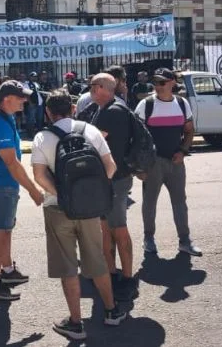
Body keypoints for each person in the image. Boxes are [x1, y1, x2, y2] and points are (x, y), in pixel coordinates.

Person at [31, 90, 128, 341]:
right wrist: (93, 194)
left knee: (67, 266)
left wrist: (63, 196)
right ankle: (111, 310)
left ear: (48, 112)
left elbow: (40, 176)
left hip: (57, 208)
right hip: (90, 209)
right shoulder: (90, 131)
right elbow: (111, 166)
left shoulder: (43, 137)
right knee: (96, 259)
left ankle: (76, 323)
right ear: (73, 108)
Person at [0, 80, 44, 301]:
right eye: (20, 97)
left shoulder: (5, 117)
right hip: (2, 183)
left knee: (6, 228)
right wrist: (33, 190)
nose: (25, 100)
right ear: (7, 99)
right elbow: (12, 162)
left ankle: (7, 272)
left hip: (4, 183)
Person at [136, 68, 202, 257]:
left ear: (172, 82)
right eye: (155, 82)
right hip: (153, 163)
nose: (157, 86)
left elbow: (190, 130)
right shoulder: (145, 105)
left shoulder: (182, 104)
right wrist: (139, 167)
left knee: (180, 202)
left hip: (176, 162)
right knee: (149, 202)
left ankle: (185, 240)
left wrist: (183, 151)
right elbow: (137, 137)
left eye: (162, 82)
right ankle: (148, 239)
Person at [87, 73, 138, 299]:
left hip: (116, 180)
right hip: (107, 180)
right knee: (106, 229)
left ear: (100, 87)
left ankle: (127, 279)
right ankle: (111, 272)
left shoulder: (113, 111)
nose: (89, 91)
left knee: (118, 228)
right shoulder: (106, 108)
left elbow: (94, 141)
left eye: (91, 86)